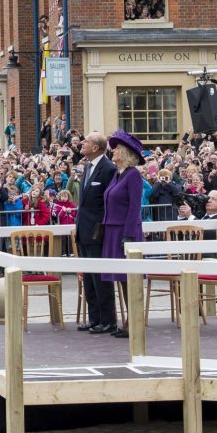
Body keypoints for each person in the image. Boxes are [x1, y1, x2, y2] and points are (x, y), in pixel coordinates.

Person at [100, 130, 146, 339]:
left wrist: (128, 235)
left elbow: (134, 207)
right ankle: (130, 319)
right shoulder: (117, 174)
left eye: (117, 147)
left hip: (125, 231)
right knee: (120, 278)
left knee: (129, 278)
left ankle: (134, 320)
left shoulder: (133, 174)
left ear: (125, 152)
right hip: (112, 230)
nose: (113, 150)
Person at [77, 132, 118, 334]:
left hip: (97, 231)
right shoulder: (88, 167)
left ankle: (108, 319)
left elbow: (108, 202)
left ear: (96, 148)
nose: (82, 144)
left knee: (101, 277)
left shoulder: (108, 169)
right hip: (83, 230)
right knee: (89, 278)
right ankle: (94, 318)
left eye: (86, 141)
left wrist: (100, 228)